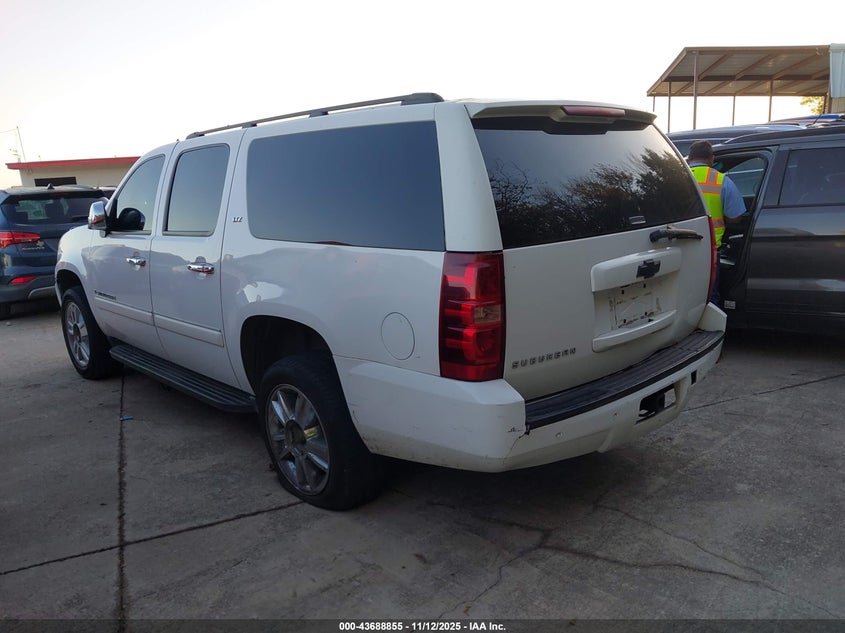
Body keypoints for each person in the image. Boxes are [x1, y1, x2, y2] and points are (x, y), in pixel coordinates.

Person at [686, 140, 746, 306]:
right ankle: (708, 328)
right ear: (712, 159)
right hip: (708, 250)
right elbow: (735, 217)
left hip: (679, 247)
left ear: (689, 159)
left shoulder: (677, 178)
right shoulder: (721, 181)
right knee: (709, 296)